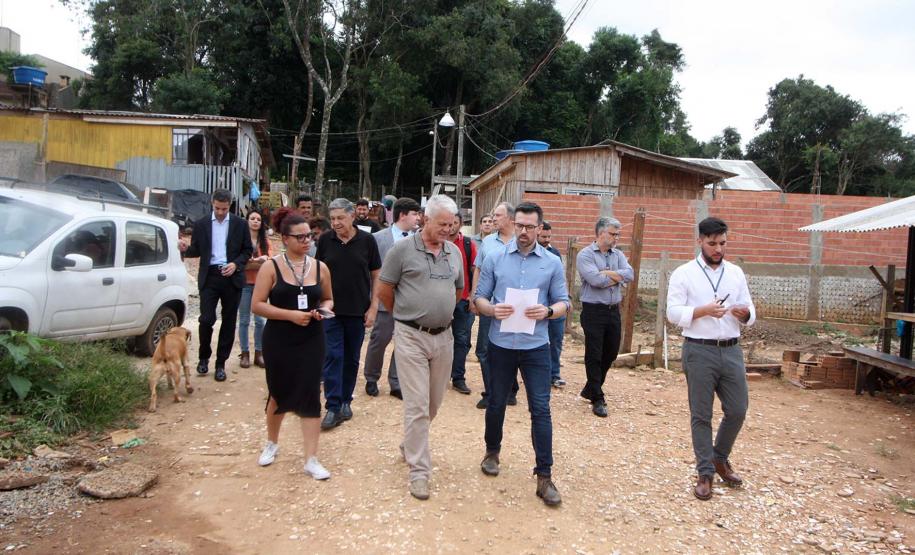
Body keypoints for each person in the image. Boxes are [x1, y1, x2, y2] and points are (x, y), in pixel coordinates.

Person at [473, 201, 570, 506]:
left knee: (540, 409)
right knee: (496, 401)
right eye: (520, 226)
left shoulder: (552, 263)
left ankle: (544, 476)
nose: (525, 232)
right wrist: (491, 309)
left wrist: (549, 310)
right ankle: (492, 451)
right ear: (513, 225)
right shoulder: (495, 257)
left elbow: (565, 303)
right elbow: (479, 298)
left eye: (530, 227)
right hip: (500, 344)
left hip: (536, 347)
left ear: (540, 228)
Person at [376, 195, 463, 500]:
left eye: (451, 225)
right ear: (426, 219)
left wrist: (441, 310)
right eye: (442, 224)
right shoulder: (401, 250)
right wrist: (406, 317)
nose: (447, 230)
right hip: (411, 335)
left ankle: (409, 444)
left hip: (444, 337)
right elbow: (384, 290)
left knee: (433, 403)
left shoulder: (454, 252)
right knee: (416, 406)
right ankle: (419, 471)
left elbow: (458, 289)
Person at [666, 217, 755, 501]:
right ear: (700, 241)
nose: (718, 249)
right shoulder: (683, 273)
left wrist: (746, 315)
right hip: (699, 349)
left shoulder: (736, 273)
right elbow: (672, 312)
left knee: (738, 409)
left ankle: (720, 457)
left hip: (731, 349)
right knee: (701, 415)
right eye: (712, 243)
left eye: (723, 243)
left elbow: (750, 309)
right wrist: (702, 310)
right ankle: (705, 473)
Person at [252, 212, 334, 480]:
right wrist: (290, 315)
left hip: (311, 338)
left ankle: (311, 458)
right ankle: (272, 442)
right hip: (279, 339)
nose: (306, 241)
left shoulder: (320, 267)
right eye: (300, 237)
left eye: (309, 235)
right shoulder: (270, 267)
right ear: (284, 239)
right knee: (278, 391)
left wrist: (322, 310)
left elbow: (329, 299)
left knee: (310, 392)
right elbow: (258, 304)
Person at [315, 198, 382, 429]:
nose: (336, 223)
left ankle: (346, 400)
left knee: (352, 358)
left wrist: (373, 307)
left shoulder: (367, 241)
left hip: (358, 310)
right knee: (333, 355)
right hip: (330, 310)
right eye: (332, 219)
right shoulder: (325, 240)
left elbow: (376, 276)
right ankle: (332, 406)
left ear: (352, 216)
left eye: (340, 218)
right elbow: (317, 274)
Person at [179, 188, 253, 382]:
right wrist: (186, 249)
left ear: (230, 206)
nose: (220, 212)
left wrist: (235, 264)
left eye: (224, 208)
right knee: (206, 319)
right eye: (217, 208)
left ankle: (221, 364)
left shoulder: (240, 224)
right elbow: (196, 249)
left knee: (228, 322)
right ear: (212, 204)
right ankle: (204, 358)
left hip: (232, 277)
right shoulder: (202, 224)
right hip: (210, 276)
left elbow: (247, 251)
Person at [363, 197, 421, 399]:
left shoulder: (418, 240)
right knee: (380, 340)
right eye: (414, 214)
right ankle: (371, 377)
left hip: (408, 301)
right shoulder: (378, 238)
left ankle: (396, 381)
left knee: (404, 343)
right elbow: (371, 271)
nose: (418, 218)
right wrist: (372, 300)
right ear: (402, 215)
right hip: (383, 299)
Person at [576, 217, 634, 417]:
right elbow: (595, 280)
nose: (616, 237)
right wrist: (617, 277)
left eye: (618, 234)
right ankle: (598, 397)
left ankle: (590, 388)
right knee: (594, 353)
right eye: (613, 233)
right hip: (593, 309)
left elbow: (630, 274)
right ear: (600, 233)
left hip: (613, 309)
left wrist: (608, 273)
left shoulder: (618, 254)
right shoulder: (585, 255)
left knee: (611, 352)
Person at [472, 202, 519, 409]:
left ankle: (510, 388)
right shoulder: (488, 242)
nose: (493, 219)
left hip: (515, 308)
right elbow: (478, 270)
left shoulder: (522, 241)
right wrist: (475, 297)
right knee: (484, 349)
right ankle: (490, 391)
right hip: (489, 305)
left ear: (510, 218)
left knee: (513, 349)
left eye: (498, 215)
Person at [238, 210, 273, 369]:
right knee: (244, 320)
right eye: (252, 218)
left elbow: (269, 264)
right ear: (247, 221)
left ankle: (259, 353)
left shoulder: (266, 242)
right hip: (244, 283)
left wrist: (252, 262)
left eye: (258, 219)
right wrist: (257, 262)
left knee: (260, 321)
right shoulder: (240, 240)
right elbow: (240, 264)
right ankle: (244, 353)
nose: (255, 221)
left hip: (261, 285)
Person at [448, 212, 477, 394]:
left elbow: (476, 270)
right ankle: (434, 376)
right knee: (436, 339)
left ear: (461, 224)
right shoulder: (436, 242)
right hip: (439, 301)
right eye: (448, 223)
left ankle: (458, 377)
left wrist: (473, 296)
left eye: (455, 223)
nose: (450, 227)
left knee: (461, 340)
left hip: (463, 300)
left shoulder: (468, 244)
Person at [538, 221, 567, 388]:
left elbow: (559, 280)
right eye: (543, 237)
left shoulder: (555, 254)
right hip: (536, 307)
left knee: (555, 341)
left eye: (549, 237)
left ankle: (554, 374)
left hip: (554, 306)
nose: (546, 240)